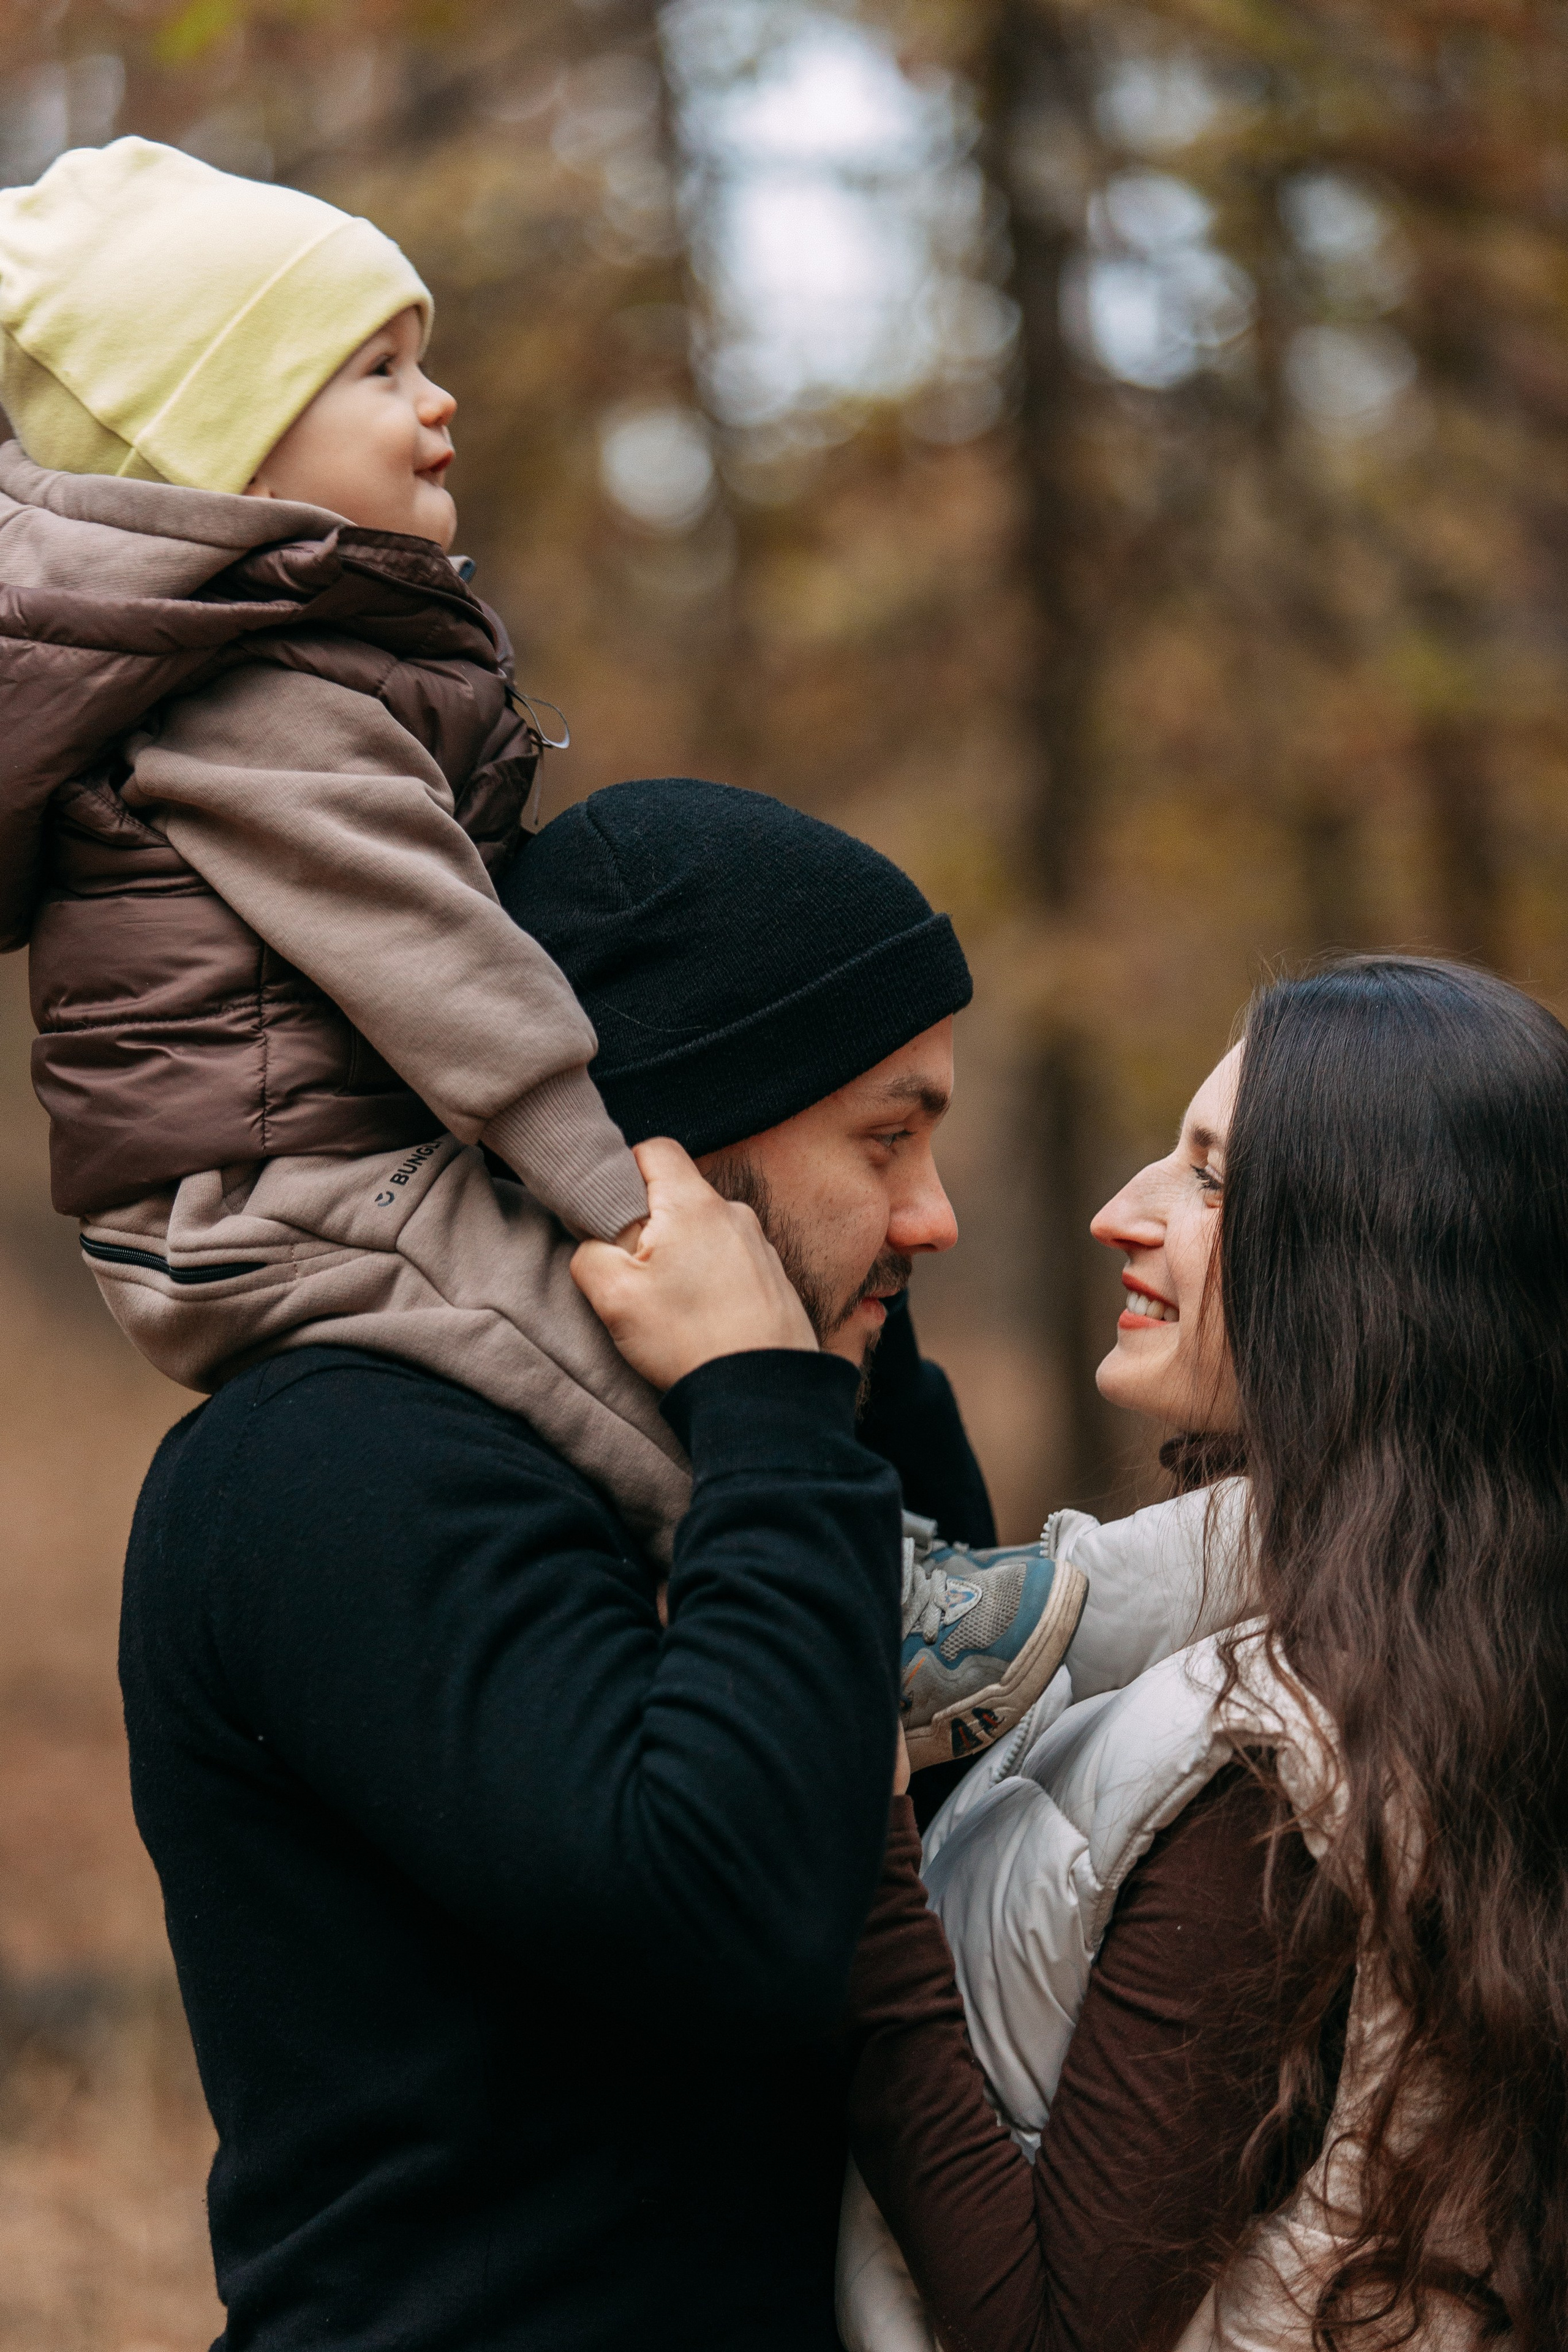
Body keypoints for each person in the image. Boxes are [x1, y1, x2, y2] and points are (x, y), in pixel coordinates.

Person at [0, 134, 1078, 1734]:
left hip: (313, 1148)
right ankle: (865, 1603)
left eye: (422, 360)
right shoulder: (253, 707)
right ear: (219, 441)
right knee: (588, 1328)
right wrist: (625, 1202)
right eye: (375, 370)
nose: (435, 404)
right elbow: (441, 972)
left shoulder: (305, 659)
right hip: (257, 1193)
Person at [116, 772, 1094, 2351]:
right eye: (886, 1141)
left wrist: (822, 1354)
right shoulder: (335, 1465)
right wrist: (767, 1400)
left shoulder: (719, 1442)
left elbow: (943, 1770)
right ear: (668, 1161)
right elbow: (744, 1917)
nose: (936, 1216)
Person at [836, 957, 1568, 2352]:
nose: (1123, 1211)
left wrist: (853, 1827)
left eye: (1211, 1179)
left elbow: (1051, 2333)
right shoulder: (1452, 1663)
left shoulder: (1273, 1762)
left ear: (1370, 1262)